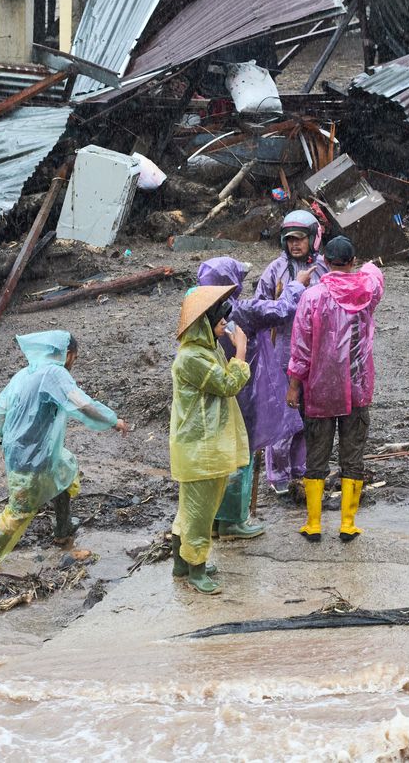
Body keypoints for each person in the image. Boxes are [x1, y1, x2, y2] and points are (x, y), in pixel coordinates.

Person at [0, 331, 129, 570]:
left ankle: (63, 530)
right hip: (32, 458)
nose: (73, 364)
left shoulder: (23, 375)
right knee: (17, 513)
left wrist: (5, 437)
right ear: (68, 355)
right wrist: (113, 421)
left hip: (29, 452)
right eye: (75, 358)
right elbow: (82, 404)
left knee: (65, 469)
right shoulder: (55, 373)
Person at [196, 256, 315, 539]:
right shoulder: (242, 313)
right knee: (241, 457)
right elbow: (283, 309)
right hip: (242, 395)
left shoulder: (197, 316)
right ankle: (233, 521)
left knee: (217, 456)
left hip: (207, 396)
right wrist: (297, 286)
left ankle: (212, 518)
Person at [287, 236, 384, 542]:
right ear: (352, 261)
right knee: (352, 454)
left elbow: (300, 348)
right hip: (358, 387)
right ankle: (347, 523)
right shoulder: (368, 291)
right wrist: (364, 265)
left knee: (317, 454)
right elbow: (374, 272)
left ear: (324, 262)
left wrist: (294, 387)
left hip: (320, 388)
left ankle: (314, 523)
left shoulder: (312, 296)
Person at [170, 285, 251, 594]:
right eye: (219, 321)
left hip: (205, 445)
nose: (224, 327)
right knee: (200, 513)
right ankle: (197, 570)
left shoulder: (207, 349)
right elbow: (229, 384)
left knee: (191, 508)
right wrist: (241, 352)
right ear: (204, 322)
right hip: (199, 448)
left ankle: (182, 562)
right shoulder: (192, 358)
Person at [255, 210, 328, 493]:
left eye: (300, 239)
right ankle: (279, 477)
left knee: (308, 417)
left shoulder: (324, 269)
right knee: (283, 418)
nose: (295, 245)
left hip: (316, 354)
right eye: (290, 240)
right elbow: (260, 307)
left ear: (313, 239)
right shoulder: (275, 270)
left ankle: (301, 470)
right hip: (282, 352)